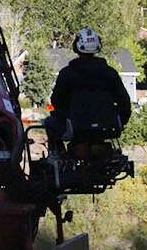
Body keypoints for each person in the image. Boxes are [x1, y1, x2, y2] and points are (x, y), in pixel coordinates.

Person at [43, 27, 131, 155]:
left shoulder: (67, 74)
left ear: (76, 46)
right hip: (106, 127)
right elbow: (124, 101)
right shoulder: (110, 73)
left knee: (48, 122)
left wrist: (65, 113)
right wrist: (121, 120)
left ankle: (59, 156)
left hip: (75, 127)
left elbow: (56, 101)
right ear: (98, 46)